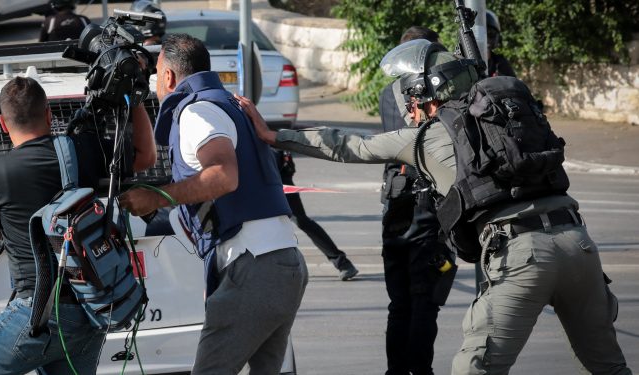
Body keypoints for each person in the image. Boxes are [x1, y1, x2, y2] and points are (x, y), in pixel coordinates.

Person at [235, 40, 633, 375]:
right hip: (579, 245)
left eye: (409, 99)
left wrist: (274, 135)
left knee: (474, 368)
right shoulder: (506, 124)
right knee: (610, 367)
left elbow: (349, 146)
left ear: (423, 97)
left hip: (523, 255)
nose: (407, 110)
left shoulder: (425, 136)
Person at [119, 33, 308, 375]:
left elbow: (223, 176)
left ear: (169, 77)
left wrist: (156, 196)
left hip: (255, 267)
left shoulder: (197, 112)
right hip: (280, 261)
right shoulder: (228, 105)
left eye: (156, 76)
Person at [0, 77, 156, 374]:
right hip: (89, 311)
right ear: (49, 114)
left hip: (35, 313)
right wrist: (135, 94)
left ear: (2, 122)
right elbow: (146, 156)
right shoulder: (83, 150)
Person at [377, 26, 454, 375]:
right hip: (428, 202)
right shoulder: (436, 95)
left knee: (400, 303)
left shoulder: (386, 93)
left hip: (395, 199)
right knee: (425, 299)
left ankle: (396, 370)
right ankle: (420, 370)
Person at [274, 149, 359, 281]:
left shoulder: (251, 132)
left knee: (301, 221)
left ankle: (342, 262)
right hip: (264, 178)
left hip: (275, 177)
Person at [486, 10, 516, 77]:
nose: (486, 38)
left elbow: (514, 85)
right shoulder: (463, 64)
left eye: (490, 33)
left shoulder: (501, 63)